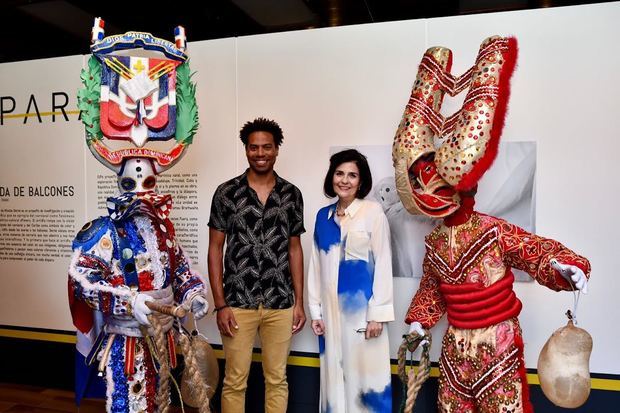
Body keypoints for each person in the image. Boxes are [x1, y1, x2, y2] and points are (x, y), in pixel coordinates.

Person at [393, 36, 590, 412]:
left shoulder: (491, 230)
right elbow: (433, 286)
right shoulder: (435, 241)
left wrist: (564, 266)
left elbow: (534, 251)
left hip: (497, 343)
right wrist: (420, 321)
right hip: (454, 348)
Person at [208, 117, 306, 413]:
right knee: (235, 381)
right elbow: (215, 250)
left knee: (277, 379)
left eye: (266, 147)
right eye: (254, 148)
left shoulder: (291, 195)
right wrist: (221, 305)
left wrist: (298, 302)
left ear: (277, 150)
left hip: (280, 302)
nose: (260, 153)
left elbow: (294, 250)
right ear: (246, 150)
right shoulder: (227, 193)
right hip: (237, 303)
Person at [308, 149, 394, 412]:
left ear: (361, 181)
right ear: (331, 177)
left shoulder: (373, 212)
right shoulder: (323, 217)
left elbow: (383, 263)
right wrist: (315, 311)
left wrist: (377, 314)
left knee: (366, 384)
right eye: (339, 173)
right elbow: (315, 266)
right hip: (330, 319)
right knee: (334, 382)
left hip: (363, 318)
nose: (344, 180)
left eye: (352, 175)